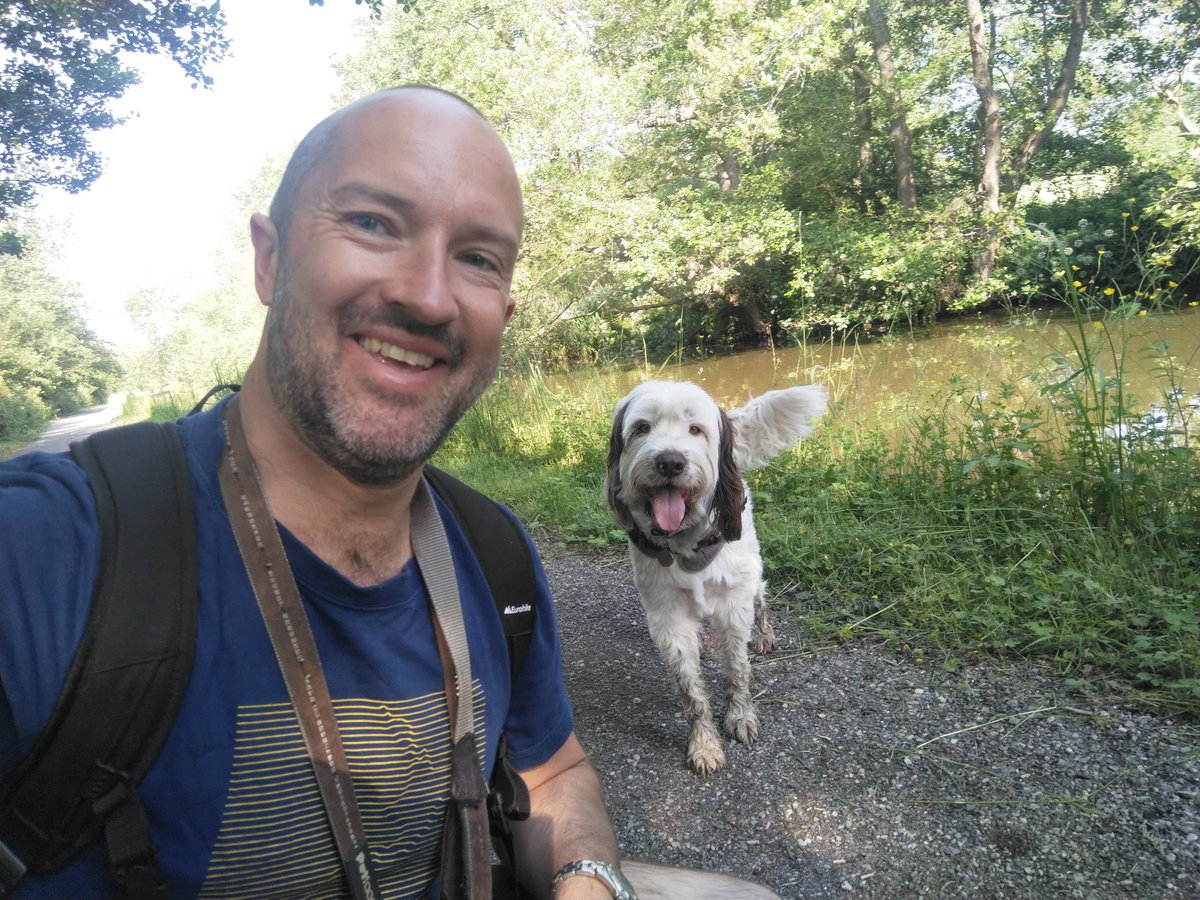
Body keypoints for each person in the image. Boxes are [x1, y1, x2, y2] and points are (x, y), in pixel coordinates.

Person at [0, 86, 779, 899]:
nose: (427, 295)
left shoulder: (496, 555)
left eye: (477, 257)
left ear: (503, 314)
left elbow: (551, 773)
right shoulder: (46, 548)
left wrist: (587, 876)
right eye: (374, 223)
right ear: (269, 259)